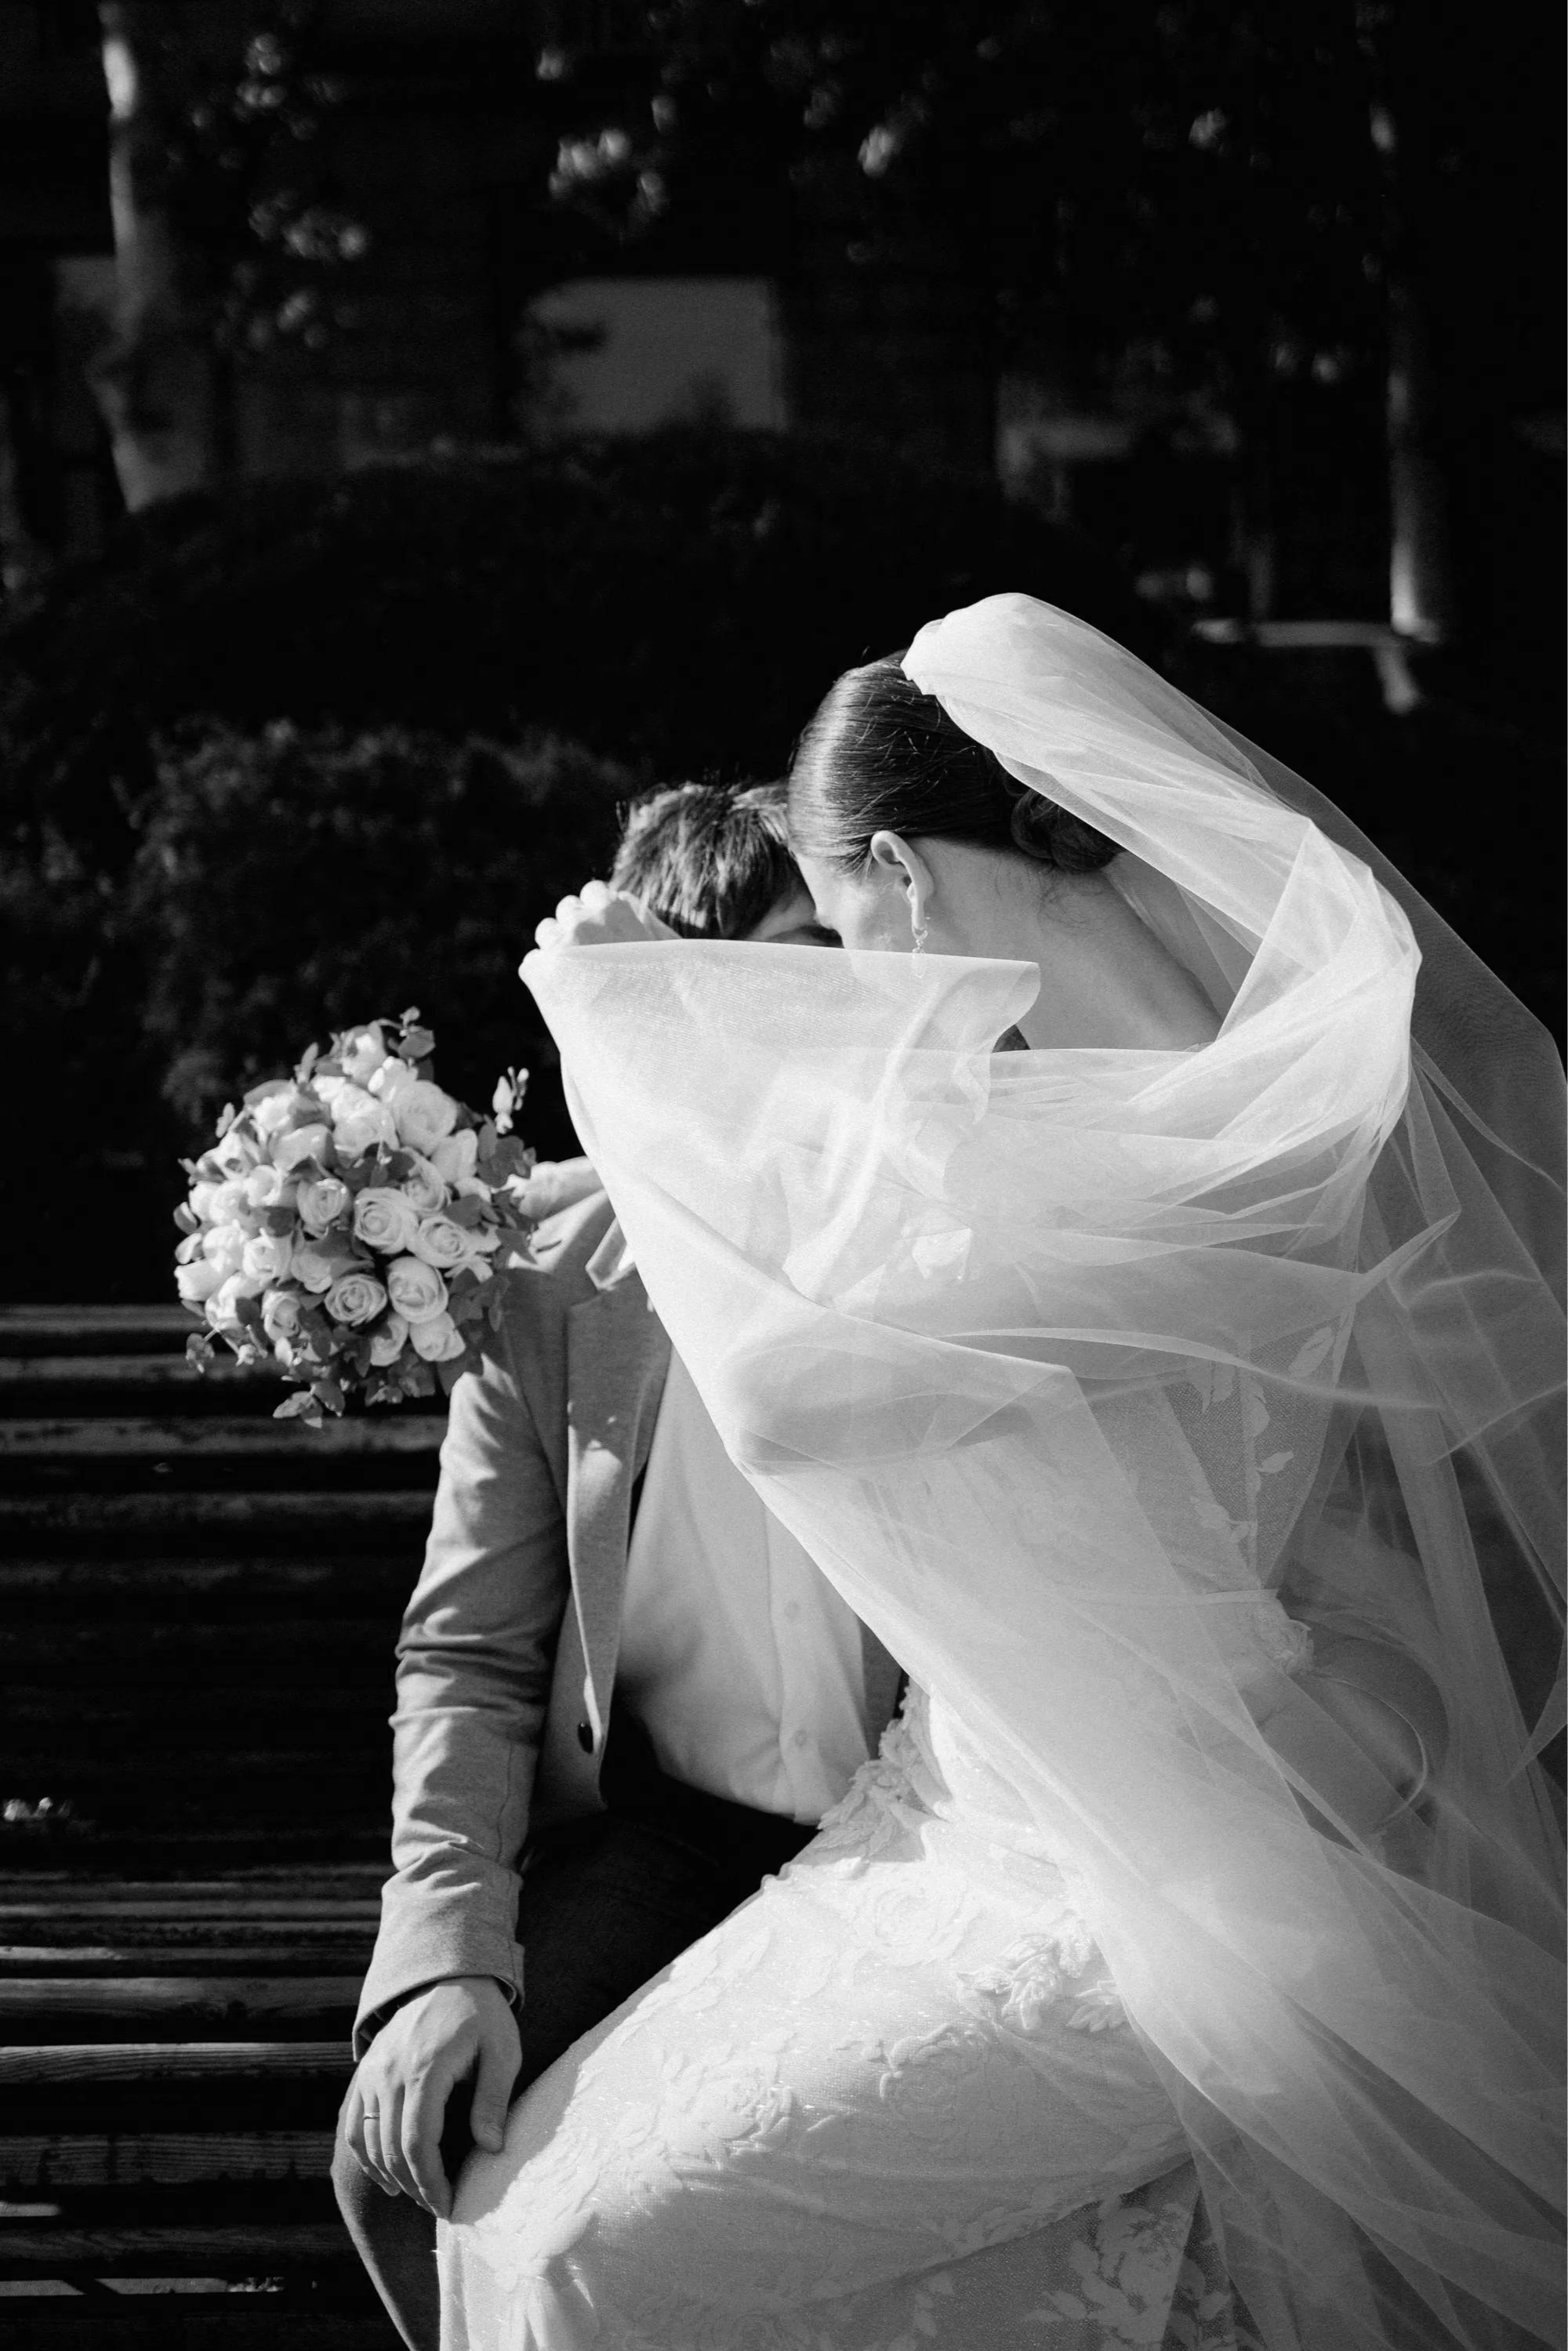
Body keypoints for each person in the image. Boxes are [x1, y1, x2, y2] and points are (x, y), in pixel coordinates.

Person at [438, 594, 1565, 2350]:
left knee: (589, 2256)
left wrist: (615, 1035)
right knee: (512, 2224)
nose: (856, 1006)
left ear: (891, 869)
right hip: (957, 1823)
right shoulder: (1088, 1086)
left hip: (1149, 1892)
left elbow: (794, 1400)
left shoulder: (1200, 1144)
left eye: (842, 928)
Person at [332, 782, 901, 2351]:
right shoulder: (546, 1271)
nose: (791, 1024)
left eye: (821, 965)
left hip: (920, 1851)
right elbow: (469, 1651)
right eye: (725, 984)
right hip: (675, 1843)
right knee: (407, 2161)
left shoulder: (924, 1226)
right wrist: (442, 1963)